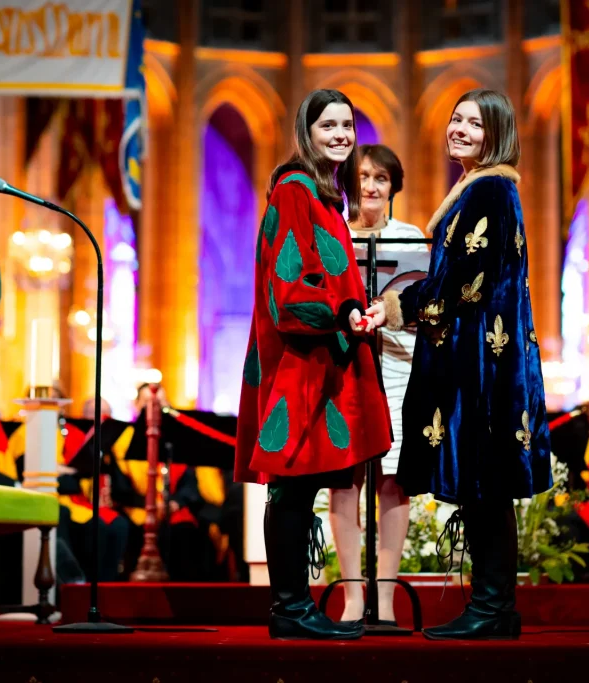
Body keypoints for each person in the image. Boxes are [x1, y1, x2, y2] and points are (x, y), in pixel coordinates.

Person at [383, 89, 550, 640]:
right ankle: (494, 606)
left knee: (486, 482)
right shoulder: (481, 188)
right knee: (486, 483)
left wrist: (394, 307)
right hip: (481, 353)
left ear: (496, 133)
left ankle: (493, 606)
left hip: (483, 358)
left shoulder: (491, 190)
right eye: (455, 119)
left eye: (473, 124)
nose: (458, 129)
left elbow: (465, 282)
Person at [235, 89, 393, 640]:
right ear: (307, 131)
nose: (341, 135)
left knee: (302, 487)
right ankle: (288, 607)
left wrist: (351, 309)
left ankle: (293, 607)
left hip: (320, 356)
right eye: (329, 125)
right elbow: (288, 286)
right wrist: (343, 308)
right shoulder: (296, 189)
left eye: (347, 126)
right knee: (291, 485)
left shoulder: (327, 195)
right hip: (298, 362)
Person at [330, 144, 424, 625]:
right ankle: (351, 599)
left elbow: (427, 311)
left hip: (398, 368)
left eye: (381, 178)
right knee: (345, 484)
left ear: (394, 187)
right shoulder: (334, 235)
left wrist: (387, 312)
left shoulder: (411, 239)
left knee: (392, 483)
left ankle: (385, 599)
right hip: (343, 369)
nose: (370, 186)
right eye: (363, 176)